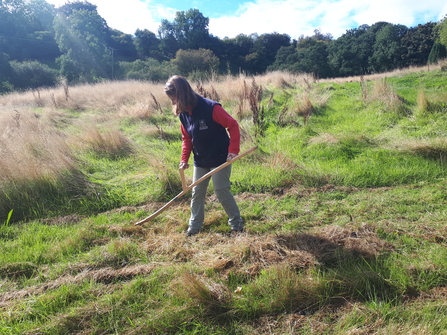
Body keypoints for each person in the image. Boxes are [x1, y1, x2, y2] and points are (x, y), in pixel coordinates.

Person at [163, 75, 244, 236]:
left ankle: (237, 225)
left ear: (183, 95)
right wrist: (184, 159)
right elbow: (187, 138)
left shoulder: (211, 108)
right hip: (200, 159)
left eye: (174, 99)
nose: (173, 103)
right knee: (197, 192)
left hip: (220, 157)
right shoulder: (184, 114)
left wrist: (233, 150)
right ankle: (194, 227)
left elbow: (233, 125)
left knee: (221, 190)